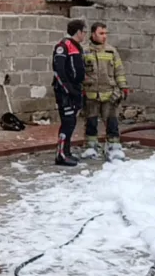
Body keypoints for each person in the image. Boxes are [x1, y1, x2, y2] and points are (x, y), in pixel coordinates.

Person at [81, 22, 129, 161]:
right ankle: (91, 146)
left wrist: (123, 87)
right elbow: (79, 73)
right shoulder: (84, 51)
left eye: (106, 33)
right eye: (101, 33)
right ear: (93, 34)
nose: (104, 36)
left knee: (112, 121)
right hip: (90, 93)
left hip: (109, 93)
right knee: (91, 121)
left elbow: (119, 70)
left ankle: (113, 146)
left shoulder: (111, 51)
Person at [52, 19, 87, 167]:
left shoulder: (77, 47)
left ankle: (66, 151)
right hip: (65, 91)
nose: (85, 35)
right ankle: (60, 154)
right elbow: (58, 70)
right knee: (67, 122)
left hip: (76, 89)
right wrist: (68, 90)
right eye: (84, 32)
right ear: (78, 32)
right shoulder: (63, 46)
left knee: (72, 121)